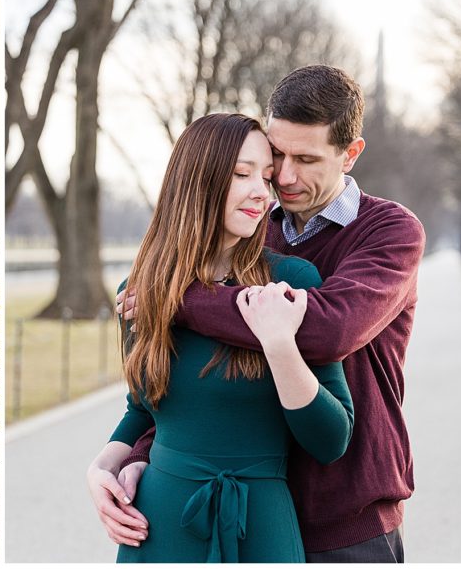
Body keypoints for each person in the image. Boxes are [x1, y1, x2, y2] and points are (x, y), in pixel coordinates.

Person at [96, 65, 425, 562]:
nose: (284, 178)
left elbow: (328, 328)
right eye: (276, 158)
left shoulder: (388, 231)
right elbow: (173, 394)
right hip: (250, 505)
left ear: (350, 154)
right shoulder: (251, 234)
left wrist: (174, 297)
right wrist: (133, 459)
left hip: (347, 512)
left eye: (306, 159)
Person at [87, 112, 354, 562]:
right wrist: (102, 467)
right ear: (197, 180)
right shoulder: (138, 292)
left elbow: (332, 439)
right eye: (241, 173)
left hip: (261, 526)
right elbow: (142, 407)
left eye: (265, 177)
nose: (261, 191)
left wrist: (279, 344)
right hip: (156, 525)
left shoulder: (289, 282)